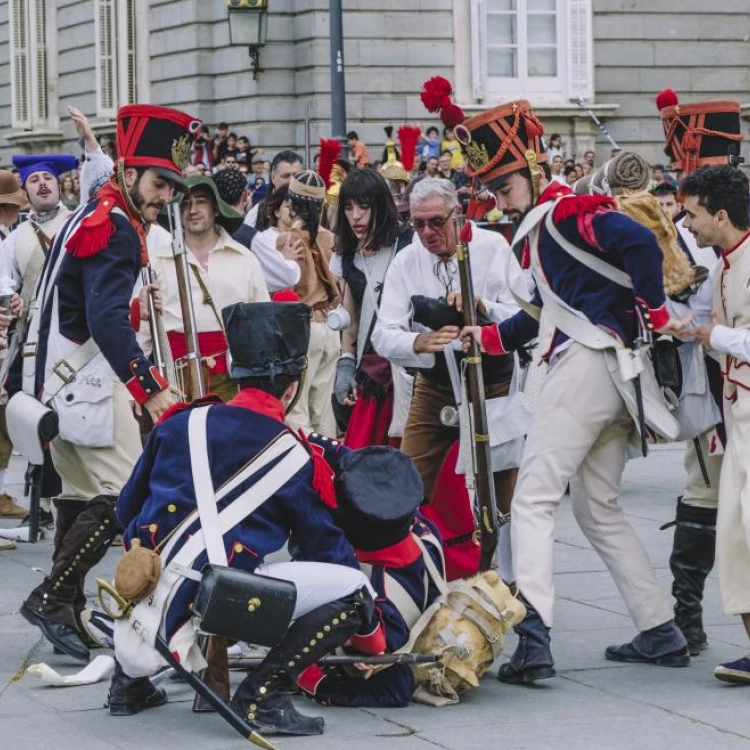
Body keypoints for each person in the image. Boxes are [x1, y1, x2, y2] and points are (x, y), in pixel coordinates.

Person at [458, 96, 691, 683]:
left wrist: (656, 313)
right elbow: (543, 315)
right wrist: (483, 339)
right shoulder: (547, 223)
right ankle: (660, 626)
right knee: (597, 507)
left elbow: (637, 245)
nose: (498, 195)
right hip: (613, 376)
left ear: (531, 168)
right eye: (493, 187)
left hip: (586, 368)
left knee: (532, 499)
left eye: (504, 183)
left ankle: (533, 636)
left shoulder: (562, 214)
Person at [109, 300, 384, 735]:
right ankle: (263, 697)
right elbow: (324, 550)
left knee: (174, 556)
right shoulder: (294, 454)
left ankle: (128, 684)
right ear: (291, 388)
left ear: (236, 375)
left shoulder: (180, 423)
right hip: (223, 600)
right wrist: (372, 630)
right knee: (353, 592)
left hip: (145, 585)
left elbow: (126, 510)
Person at [17, 104, 200, 664]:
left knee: (77, 499)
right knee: (125, 496)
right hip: (89, 385)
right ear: (128, 174)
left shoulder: (97, 210)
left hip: (59, 383)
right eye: (158, 183)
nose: (166, 196)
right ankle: (52, 600)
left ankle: (65, 606)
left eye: (171, 186)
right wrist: (149, 385)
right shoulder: (114, 227)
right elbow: (105, 320)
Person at [371, 176, 526, 533]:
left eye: (436, 222)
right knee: (408, 482)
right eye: (418, 223)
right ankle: (402, 563)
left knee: (502, 492)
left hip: (493, 382)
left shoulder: (491, 247)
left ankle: (508, 573)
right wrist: (417, 344)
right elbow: (383, 334)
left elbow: (523, 315)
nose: (426, 232)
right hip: (435, 383)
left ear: (457, 216)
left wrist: (482, 306)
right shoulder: (407, 260)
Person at [656, 90, 743, 658]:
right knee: (710, 492)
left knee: (723, 504)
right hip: (716, 379)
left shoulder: (714, 221)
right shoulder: (684, 228)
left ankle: (688, 620)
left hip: (733, 381)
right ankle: (687, 615)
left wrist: (709, 331)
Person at [680, 165, 750, 684]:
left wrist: (715, 337)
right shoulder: (727, 262)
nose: (689, 223)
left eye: (694, 213)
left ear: (720, 215)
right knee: (736, 539)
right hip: (738, 416)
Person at [135, 174, 269, 403]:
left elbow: (263, 322)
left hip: (233, 375)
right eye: (185, 203)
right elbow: (144, 328)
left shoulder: (245, 259)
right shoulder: (158, 261)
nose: (193, 209)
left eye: (201, 201)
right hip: (175, 378)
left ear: (216, 209)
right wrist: (138, 386)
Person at [330, 169, 405, 447]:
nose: (355, 215)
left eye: (364, 206)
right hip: (372, 373)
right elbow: (351, 319)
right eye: (348, 207)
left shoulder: (407, 244)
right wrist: (346, 364)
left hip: (410, 367)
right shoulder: (347, 255)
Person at [283, 171, 341, 437]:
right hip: (331, 328)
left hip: (304, 328)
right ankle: (328, 465)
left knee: (297, 407)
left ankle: (307, 468)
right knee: (323, 408)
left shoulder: (286, 240)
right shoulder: (332, 238)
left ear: (292, 204)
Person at [246, 150, 304, 230]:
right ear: (273, 178)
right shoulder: (258, 212)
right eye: (285, 176)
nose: (291, 181)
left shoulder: (316, 209)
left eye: (297, 176)